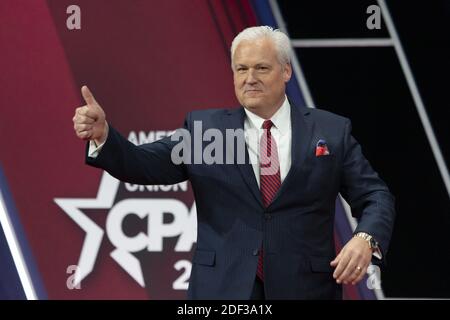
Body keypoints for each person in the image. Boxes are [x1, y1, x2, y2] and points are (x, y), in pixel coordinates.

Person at [72, 26, 395, 299]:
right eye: (241, 69)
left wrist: (365, 238)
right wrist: (104, 136)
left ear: (286, 71)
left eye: (261, 68)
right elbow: (143, 163)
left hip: (306, 289)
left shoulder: (330, 130)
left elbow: (376, 197)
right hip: (222, 290)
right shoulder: (205, 130)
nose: (249, 78)